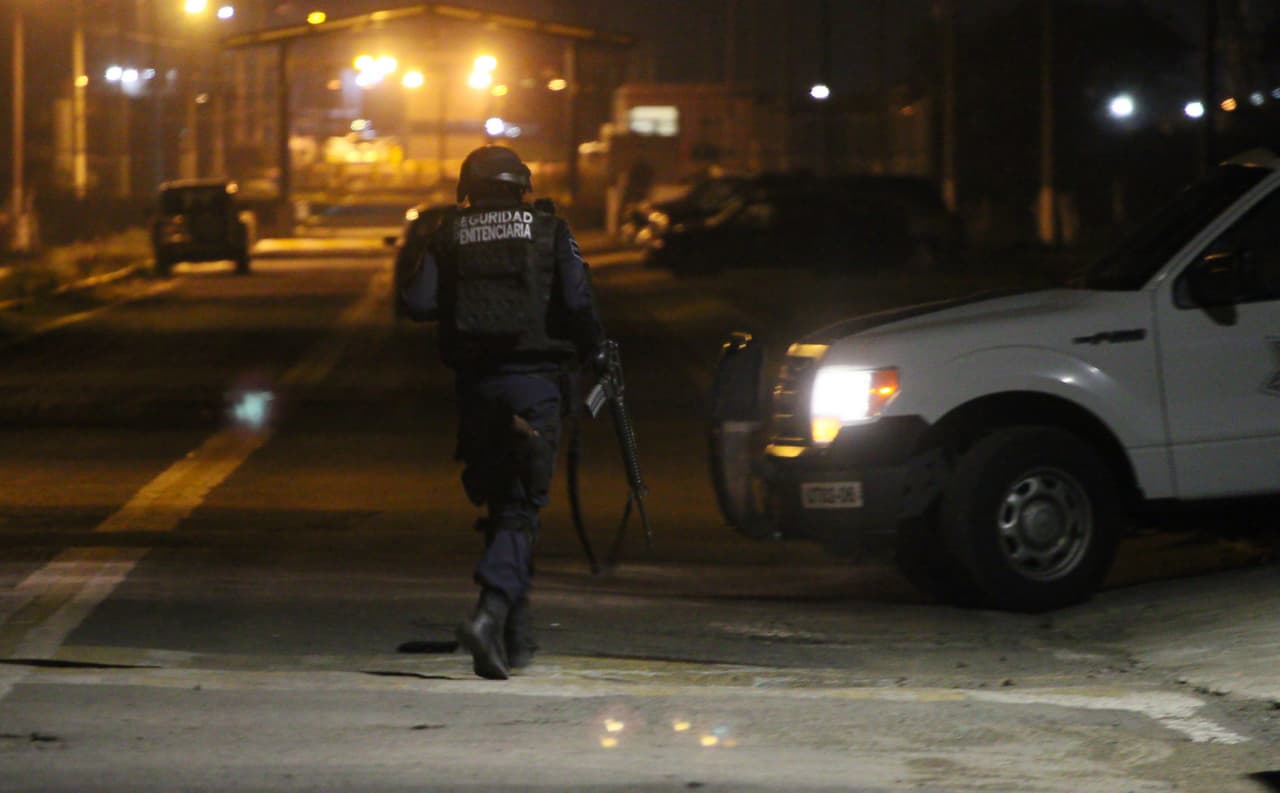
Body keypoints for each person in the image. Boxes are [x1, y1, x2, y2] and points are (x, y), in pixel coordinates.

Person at [399, 145, 605, 680]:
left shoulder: (448, 232)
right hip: (534, 387)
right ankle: (490, 616)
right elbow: (580, 302)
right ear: (522, 185)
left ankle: (516, 637)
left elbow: (418, 303)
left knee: (500, 501)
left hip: (477, 389)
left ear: (467, 187)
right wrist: (596, 350)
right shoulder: (549, 229)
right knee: (520, 507)